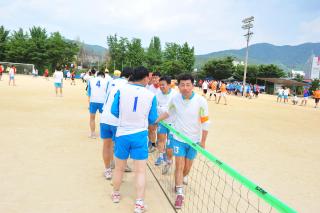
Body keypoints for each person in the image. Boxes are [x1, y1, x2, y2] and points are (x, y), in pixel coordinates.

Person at [156, 73, 209, 209]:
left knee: (187, 168)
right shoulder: (175, 99)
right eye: (182, 85)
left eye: (188, 85)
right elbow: (168, 113)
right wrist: (155, 121)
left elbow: (205, 122)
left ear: (193, 85)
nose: (185, 88)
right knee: (179, 166)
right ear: (178, 86)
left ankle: (180, 180)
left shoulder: (200, 101)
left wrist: (203, 142)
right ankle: (180, 193)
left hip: (194, 141)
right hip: (178, 138)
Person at [111, 66, 158, 213]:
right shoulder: (151, 95)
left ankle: (116, 194)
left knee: (119, 168)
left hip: (122, 134)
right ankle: (139, 203)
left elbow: (114, 111)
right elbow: (152, 119)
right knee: (140, 172)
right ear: (145, 78)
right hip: (139, 135)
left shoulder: (122, 90)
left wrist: (126, 118)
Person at [100, 67, 133, 180]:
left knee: (107, 145)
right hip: (116, 119)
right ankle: (120, 171)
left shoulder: (112, 81)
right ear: (131, 76)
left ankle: (108, 170)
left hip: (104, 117)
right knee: (120, 147)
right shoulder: (128, 86)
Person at [154, 76, 177, 174]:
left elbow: (169, 112)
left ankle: (169, 161)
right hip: (162, 122)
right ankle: (160, 156)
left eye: (163, 85)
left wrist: (156, 120)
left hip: (172, 123)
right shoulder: (158, 93)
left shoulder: (175, 95)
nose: (161, 87)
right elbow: (155, 106)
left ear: (169, 85)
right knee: (160, 140)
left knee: (170, 145)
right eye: (160, 85)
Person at [87, 71, 111, 139]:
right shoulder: (107, 81)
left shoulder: (91, 80)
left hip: (93, 101)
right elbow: (108, 93)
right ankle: (103, 134)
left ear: (97, 75)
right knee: (103, 118)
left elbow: (89, 93)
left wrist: (89, 103)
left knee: (92, 118)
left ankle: (93, 134)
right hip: (103, 101)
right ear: (103, 76)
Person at [146, 71, 161, 153]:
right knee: (151, 129)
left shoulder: (162, 87)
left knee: (159, 130)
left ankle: (158, 144)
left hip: (160, 113)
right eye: (153, 78)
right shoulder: (149, 87)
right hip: (151, 112)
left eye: (156, 77)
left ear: (159, 78)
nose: (154, 79)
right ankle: (152, 143)